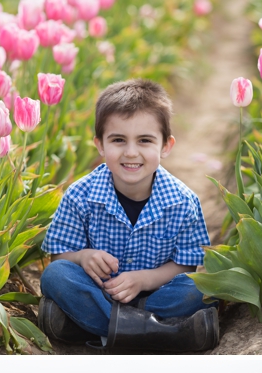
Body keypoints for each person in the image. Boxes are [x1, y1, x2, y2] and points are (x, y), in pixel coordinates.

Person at [38, 78, 219, 352]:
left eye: (145, 140)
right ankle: (160, 332)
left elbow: (186, 266)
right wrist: (83, 257)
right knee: (56, 275)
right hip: (99, 294)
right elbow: (58, 256)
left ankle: (94, 328)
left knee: (199, 289)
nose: (131, 152)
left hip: (156, 296)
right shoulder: (80, 195)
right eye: (118, 140)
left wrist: (143, 279)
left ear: (166, 146)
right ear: (100, 145)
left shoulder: (183, 202)